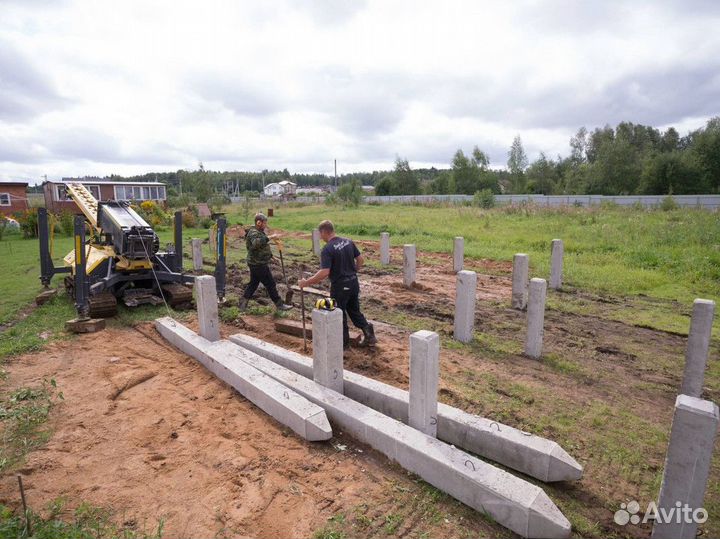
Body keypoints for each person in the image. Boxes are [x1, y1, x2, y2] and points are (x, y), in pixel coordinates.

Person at [299, 220, 376, 349]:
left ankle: (344, 345)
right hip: (353, 282)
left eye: (320, 234)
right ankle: (369, 334)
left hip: (340, 287)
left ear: (324, 232)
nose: (320, 236)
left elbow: (324, 272)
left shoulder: (327, 249)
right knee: (354, 310)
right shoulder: (348, 241)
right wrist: (354, 270)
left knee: (339, 314)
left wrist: (306, 282)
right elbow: (361, 260)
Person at [239, 213, 292, 312]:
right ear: (258, 222)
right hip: (258, 264)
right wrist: (270, 237)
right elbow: (256, 244)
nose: (265, 225)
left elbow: (262, 248)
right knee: (270, 284)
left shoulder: (259, 231)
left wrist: (272, 257)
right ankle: (279, 305)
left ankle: (243, 304)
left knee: (253, 284)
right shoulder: (254, 232)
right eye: (264, 223)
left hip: (256, 263)